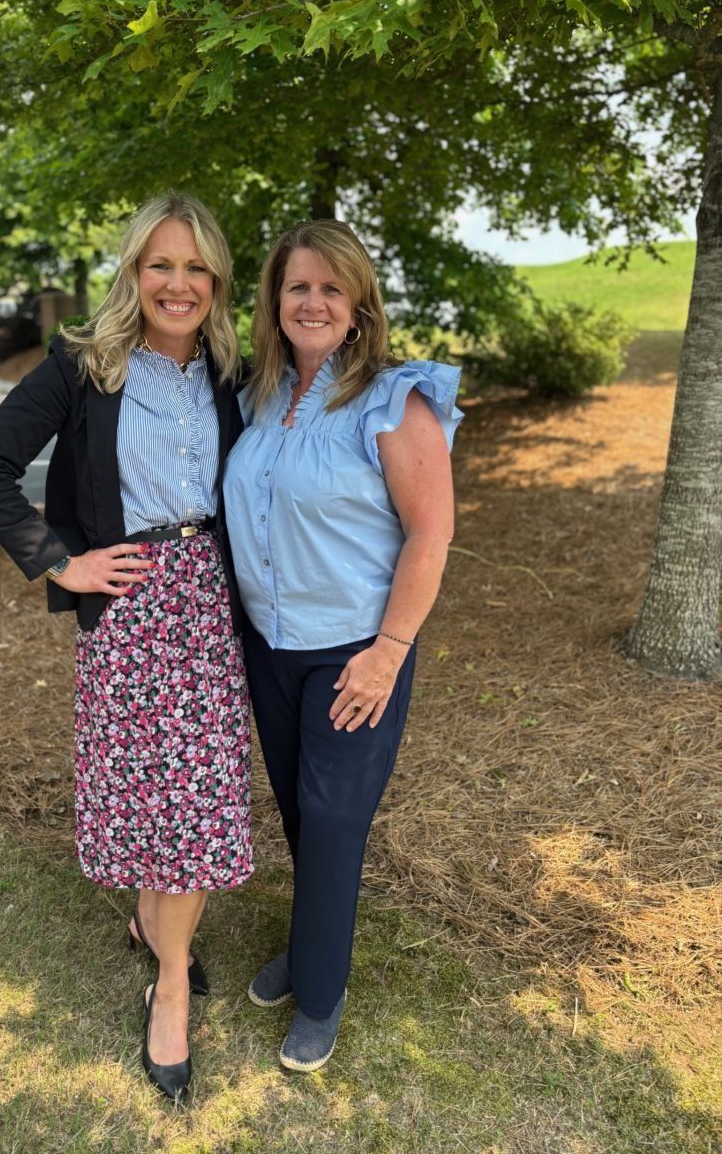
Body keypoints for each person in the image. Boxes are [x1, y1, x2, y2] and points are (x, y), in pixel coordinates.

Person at [0, 193, 253, 1106]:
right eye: (161, 264)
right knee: (152, 797)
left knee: (202, 797)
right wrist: (63, 562)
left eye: (197, 268)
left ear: (216, 283)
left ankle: (166, 965)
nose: (179, 284)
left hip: (211, 604)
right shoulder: (84, 366)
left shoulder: (232, 371)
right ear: (134, 271)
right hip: (128, 610)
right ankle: (161, 951)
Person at [223, 219, 462, 1072]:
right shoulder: (259, 395)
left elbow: (431, 533)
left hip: (356, 650)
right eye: (297, 286)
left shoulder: (395, 399)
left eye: (331, 286)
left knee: (331, 820)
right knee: (296, 807)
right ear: (275, 301)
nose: (313, 301)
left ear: (358, 302)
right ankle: (311, 942)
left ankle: (320, 993)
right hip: (271, 646)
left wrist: (390, 650)